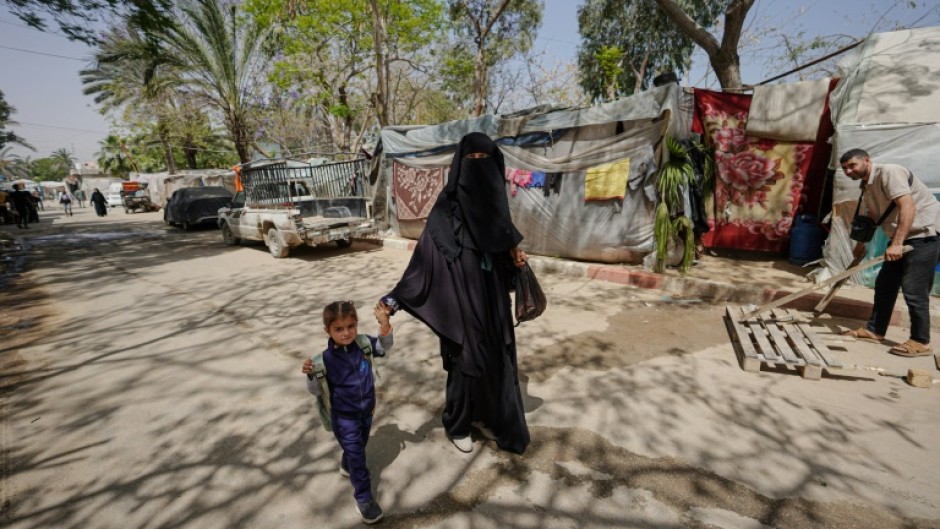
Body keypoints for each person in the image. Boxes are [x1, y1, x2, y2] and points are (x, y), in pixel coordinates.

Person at [382, 132, 531, 455]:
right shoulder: (444, 213)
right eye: (471, 160)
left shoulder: (497, 213)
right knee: (466, 364)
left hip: (492, 304)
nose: (478, 166)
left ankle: (490, 417)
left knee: (495, 362)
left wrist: (515, 261)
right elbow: (423, 263)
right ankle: (458, 423)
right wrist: (394, 300)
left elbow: (504, 263)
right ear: (458, 166)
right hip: (460, 303)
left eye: (485, 160)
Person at [840, 148, 940, 357]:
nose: (848, 171)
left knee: (914, 289)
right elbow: (870, 218)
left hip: (924, 234)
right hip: (902, 238)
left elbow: (908, 207)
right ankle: (875, 330)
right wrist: (861, 244)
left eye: (852, 165)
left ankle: (920, 341)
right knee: (885, 284)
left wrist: (897, 243)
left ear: (867, 160)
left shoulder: (890, 173)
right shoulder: (866, 186)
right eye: (845, 168)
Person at [301, 300, 393, 525]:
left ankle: (346, 463)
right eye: (339, 329)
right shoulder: (323, 360)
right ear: (328, 330)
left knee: (358, 447)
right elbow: (315, 391)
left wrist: (384, 325)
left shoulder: (363, 344)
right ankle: (364, 498)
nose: (346, 333)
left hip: (367, 411)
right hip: (343, 419)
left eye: (351, 326)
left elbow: (384, 347)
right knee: (359, 458)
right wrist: (311, 375)